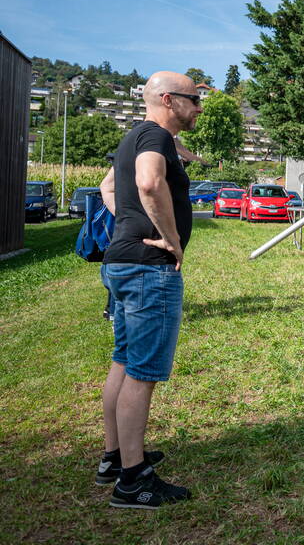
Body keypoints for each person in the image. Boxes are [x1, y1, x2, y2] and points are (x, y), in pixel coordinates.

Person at [95, 71, 201, 508]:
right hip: (148, 270)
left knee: (123, 362)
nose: (197, 107)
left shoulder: (136, 136)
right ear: (166, 99)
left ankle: (115, 458)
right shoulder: (155, 137)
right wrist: (169, 237)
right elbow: (148, 183)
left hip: (121, 263)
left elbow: (107, 186)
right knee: (142, 373)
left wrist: (128, 223)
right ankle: (134, 480)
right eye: (193, 99)